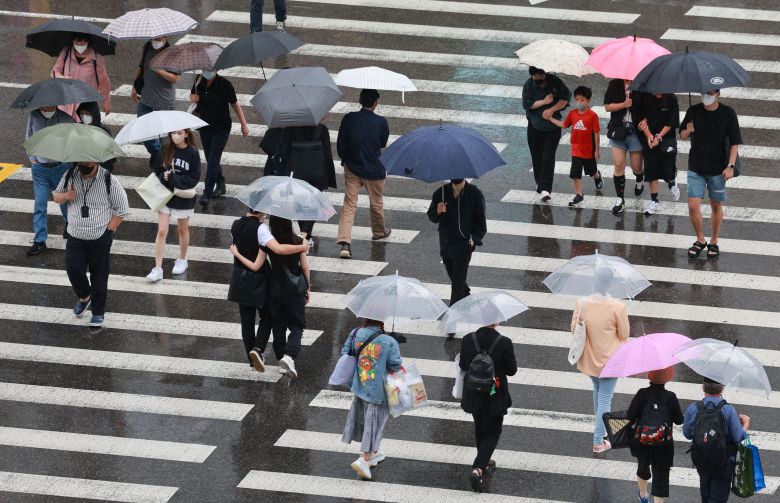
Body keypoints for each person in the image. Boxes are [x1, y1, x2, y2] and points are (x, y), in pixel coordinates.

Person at [53, 161, 129, 328]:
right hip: (75, 236)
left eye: (86, 163)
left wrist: (109, 230)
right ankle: (85, 296)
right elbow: (56, 196)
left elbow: (122, 209)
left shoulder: (108, 179)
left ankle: (98, 312)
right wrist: (66, 196)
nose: (83, 166)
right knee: (73, 270)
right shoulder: (70, 175)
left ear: (95, 162)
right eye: (81, 163)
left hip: (99, 238)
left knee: (99, 276)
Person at [229, 212, 308, 371]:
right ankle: (282, 355)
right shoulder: (296, 241)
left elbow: (256, 264)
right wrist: (308, 287)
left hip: (261, 285)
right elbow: (302, 265)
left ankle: (267, 357)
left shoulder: (244, 229)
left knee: (270, 324)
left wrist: (236, 253)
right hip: (285, 287)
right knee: (286, 322)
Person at [571, 267, 630, 453]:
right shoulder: (617, 307)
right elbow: (624, 334)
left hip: (590, 360)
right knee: (605, 400)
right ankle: (598, 441)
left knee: (597, 391)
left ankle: (602, 429)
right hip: (610, 361)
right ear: (610, 283)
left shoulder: (582, 303)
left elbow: (574, 328)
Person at [680, 90, 742, 258]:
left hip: (718, 169)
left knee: (716, 205)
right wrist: (688, 130)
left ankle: (714, 241)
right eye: (704, 92)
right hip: (696, 167)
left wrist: (730, 166)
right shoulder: (693, 110)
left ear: (718, 94)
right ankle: (700, 239)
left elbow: (735, 142)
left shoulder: (728, 113)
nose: (706, 95)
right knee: (693, 206)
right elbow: (682, 135)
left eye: (709, 93)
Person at [340, 319, 402, 481]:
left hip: (360, 385)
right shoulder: (388, 341)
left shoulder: (355, 333)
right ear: (381, 323)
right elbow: (395, 365)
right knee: (374, 423)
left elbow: (345, 352)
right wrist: (394, 343)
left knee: (365, 419)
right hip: (378, 391)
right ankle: (365, 459)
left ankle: (373, 453)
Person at [459, 324, 517, 492]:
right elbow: (512, 370)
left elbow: (463, 365)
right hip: (494, 394)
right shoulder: (504, 342)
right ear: (495, 321)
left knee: (480, 428)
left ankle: (484, 461)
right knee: (493, 432)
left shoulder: (468, 339)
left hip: (473, 393)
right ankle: (478, 468)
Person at [336, 89, 391, 259]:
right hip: (374, 169)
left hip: (352, 167)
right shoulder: (381, 122)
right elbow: (382, 143)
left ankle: (345, 242)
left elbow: (341, 144)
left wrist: (347, 159)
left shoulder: (349, 118)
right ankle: (379, 232)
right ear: (375, 103)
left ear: (360, 99)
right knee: (376, 203)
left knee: (349, 204)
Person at [260, 124, 336, 245]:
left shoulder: (290, 126)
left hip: (296, 170)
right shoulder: (322, 129)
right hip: (316, 171)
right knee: (313, 202)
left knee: (299, 202)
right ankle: (305, 234)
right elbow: (327, 153)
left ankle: (305, 235)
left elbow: (279, 148)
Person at [683, 378, 750, 503]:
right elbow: (738, 437)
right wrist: (745, 425)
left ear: (703, 387)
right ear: (722, 388)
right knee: (719, 496)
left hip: (701, 458)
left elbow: (687, 434)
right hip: (723, 461)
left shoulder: (693, 408)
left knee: (705, 492)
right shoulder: (728, 410)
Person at [146, 130, 200, 282]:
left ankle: (182, 259)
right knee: (162, 231)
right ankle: (158, 268)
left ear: (186, 134)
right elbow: (157, 169)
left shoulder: (193, 153)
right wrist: (163, 176)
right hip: (166, 195)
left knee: (182, 229)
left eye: (179, 133)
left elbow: (194, 178)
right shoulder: (165, 149)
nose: (176, 135)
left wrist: (174, 178)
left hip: (183, 198)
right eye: (173, 133)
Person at [190, 70, 249, 207]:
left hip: (221, 128)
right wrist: (193, 98)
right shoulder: (199, 80)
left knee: (213, 160)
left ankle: (207, 192)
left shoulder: (225, 84)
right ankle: (221, 182)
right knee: (210, 157)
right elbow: (192, 95)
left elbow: (235, 104)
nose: (207, 71)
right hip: (204, 126)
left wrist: (244, 124)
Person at [426, 179, 486, 309]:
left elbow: (481, 221)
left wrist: (474, 238)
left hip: (465, 243)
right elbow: (432, 216)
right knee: (453, 274)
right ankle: (466, 295)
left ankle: (453, 311)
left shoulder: (475, 193)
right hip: (446, 242)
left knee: (458, 280)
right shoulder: (441, 193)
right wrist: (438, 211)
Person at [626, 367, 684, 503]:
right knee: (661, 475)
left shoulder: (641, 394)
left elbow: (630, 415)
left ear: (650, 376)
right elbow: (679, 420)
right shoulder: (671, 397)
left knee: (642, 467)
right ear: (668, 378)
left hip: (642, 440)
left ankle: (643, 496)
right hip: (664, 443)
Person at [25, 105, 74, 256]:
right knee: (40, 204)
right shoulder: (33, 116)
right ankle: (40, 241)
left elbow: (72, 142)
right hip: (40, 169)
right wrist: (33, 159)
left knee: (65, 202)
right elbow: (29, 137)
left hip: (61, 167)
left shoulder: (66, 119)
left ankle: (69, 225)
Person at [546, 85, 603, 208]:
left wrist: (597, 150)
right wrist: (550, 118)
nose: (579, 102)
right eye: (577, 100)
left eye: (582, 100)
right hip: (576, 149)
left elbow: (596, 133)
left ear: (589, 100)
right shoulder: (572, 114)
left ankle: (597, 176)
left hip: (588, 150)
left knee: (591, 170)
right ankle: (579, 194)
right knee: (575, 173)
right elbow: (564, 124)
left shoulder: (593, 116)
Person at [521, 66, 571, 201]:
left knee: (548, 157)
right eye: (535, 76)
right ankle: (540, 183)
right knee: (536, 157)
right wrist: (544, 102)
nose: (537, 79)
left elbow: (565, 99)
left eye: (540, 76)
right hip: (534, 127)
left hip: (552, 128)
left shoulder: (555, 82)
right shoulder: (529, 85)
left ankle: (546, 189)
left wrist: (551, 109)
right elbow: (527, 104)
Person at [131, 36, 179, 169]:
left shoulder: (172, 53)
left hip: (164, 102)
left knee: (164, 138)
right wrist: (135, 86)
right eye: (153, 38)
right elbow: (141, 67)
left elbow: (175, 78)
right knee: (144, 131)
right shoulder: (148, 47)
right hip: (146, 98)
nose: (155, 40)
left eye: (158, 38)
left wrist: (158, 70)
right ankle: (158, 155)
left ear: (165, 37)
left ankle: (163, 166)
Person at [634, 92, 680, 216]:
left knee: (667, 167)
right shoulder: (644, 97)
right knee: (651, 169)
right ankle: (654, 200)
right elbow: (640, 119)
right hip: (649, 138)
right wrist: (649, 135)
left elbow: (672, 122)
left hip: (666, 137)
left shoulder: (671, 98)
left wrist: (659, 137)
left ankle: (672, 182)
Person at [603, 78, 645, 215]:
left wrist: (646, 120)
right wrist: (624, 104)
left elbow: (649, 107)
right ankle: (620, 199)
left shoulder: (642, 83)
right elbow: (607, 107)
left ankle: (640, 178)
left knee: (636, 168)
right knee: (619, 164)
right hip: (618, 129)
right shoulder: (614, 84)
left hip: (636, 131)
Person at [51, 33, 112, 121]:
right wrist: (62, 77)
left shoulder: (96, 58)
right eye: (77, 42)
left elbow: (103, 81)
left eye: (83, 42)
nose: (80, 45)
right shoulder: (66, 52)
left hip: (85, 107)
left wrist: (107, 101)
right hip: (65, 105)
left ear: (88, 42)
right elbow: (54, 72)